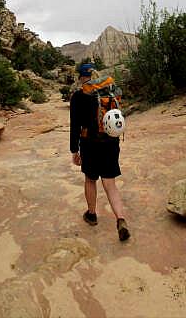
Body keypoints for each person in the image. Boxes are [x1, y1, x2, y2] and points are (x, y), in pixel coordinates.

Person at [70, 63, 130, 241]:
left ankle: (92, 214)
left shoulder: (79, 96)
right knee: (110, 183)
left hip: (89, 143)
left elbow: (75, 125)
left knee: (90, 179)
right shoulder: (112, 92)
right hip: (111, 141)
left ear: (81, 77)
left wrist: (74, 150)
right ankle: (120, 219)